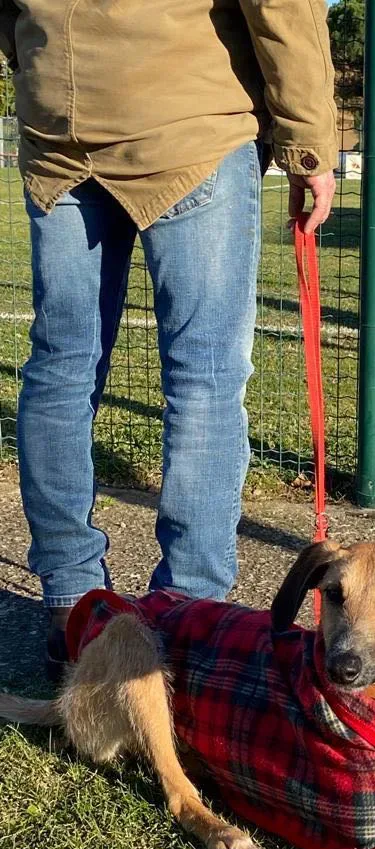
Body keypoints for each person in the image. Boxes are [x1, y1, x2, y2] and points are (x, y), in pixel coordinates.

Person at [0, 1, 338, 680]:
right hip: (191, 122)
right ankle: (189, 612)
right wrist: (309, 145)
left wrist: (37, 63)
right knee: (205, 381)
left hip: (61, 123)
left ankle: (69, 605)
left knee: (61, 372)